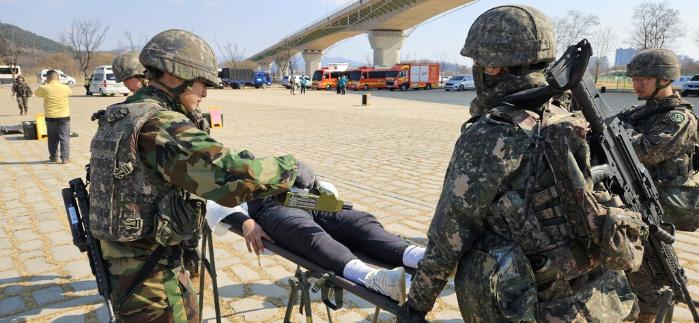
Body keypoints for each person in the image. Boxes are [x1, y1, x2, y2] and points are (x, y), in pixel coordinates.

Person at [399, 6, 647, 322]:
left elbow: (450, 233)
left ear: (492, 69)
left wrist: (417, 305)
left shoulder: (492, 133)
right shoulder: (564, 112)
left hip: (530, 302)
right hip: (596, 294)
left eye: (480, 63)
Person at [87, 29, 313, 322]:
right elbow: (229, 174)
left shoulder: (122, 113)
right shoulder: (160, 124)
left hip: (124, 263)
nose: (205, 93)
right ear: (174, 76)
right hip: (152, 274)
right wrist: (291, 168)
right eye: (201, 83)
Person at [206, 181, 426, 304]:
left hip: (312, 199)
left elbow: (325, 186)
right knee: (308, 234)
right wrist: (246, 222)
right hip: (273, 209)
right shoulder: (229, 181)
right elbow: (214, 205)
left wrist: (310, 180)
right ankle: (372, 278)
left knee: (361, 222)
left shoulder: (275, 165)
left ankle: (423, 257)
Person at [617, 48, 699, 323]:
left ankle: (649, 314)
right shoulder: (640, 114)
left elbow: (646, 151)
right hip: (636, 198)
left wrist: (618, 134)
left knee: (652, 269)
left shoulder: (679, 118)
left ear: (665, 79)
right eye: (634, 78)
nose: (636, 83)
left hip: (661, 203)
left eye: (644, 78)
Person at [35, 70, 72, 163]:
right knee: (64, 138)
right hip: (64, 117)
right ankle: (65, 158)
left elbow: (36, 94)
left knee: (52, 139)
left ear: (47, 78)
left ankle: (54, 157)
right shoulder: (65, 87)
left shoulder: (45, 88)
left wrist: (44, 84)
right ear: (58, 78)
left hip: (50, 117)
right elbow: (70, 93)